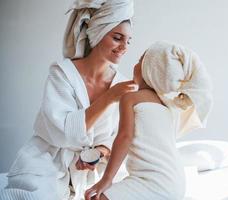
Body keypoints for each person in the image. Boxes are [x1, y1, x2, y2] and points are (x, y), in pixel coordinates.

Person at [0, 0, 136, 199]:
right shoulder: (62, 73)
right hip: (49, 162)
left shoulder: (121, 83)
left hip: (92, 172)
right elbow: (63, 133)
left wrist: (100, 151)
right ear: (98, 32)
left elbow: (119, 135)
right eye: (117, 38)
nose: (124, 46)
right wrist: (108, 97)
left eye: (128, 41)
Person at [84, 41, 213, 200]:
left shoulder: (131, 98)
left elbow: (124, 137)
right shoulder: (169, 107)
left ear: (150, 69)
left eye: (140, 61)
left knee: (97, 197)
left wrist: (106, 179)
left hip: (153, 181)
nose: (135, 64)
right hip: (177, 182)